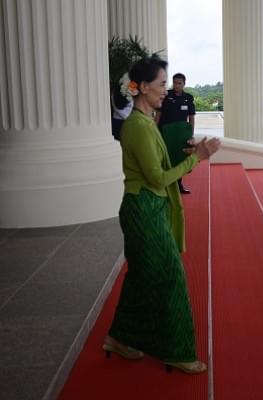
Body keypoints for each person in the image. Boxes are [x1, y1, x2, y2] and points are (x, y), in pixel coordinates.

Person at [103, 56, 220, 374]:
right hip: (144, 210)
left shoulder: (145, 122)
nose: (165, 91)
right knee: (172, 277)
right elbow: (157, 179)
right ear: (141, 88)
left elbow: (157, 167)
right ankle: (176, 351)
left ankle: (118, 338)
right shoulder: (139, 126)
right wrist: (198, 158)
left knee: (141, 277)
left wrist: (186, 155)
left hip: (147, 207)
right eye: (161, 85)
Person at [155, 73, 197, 194]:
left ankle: (178, 184)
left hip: (181, 135)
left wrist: (191, 135)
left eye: (179, 83)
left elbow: (191, 118)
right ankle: (164, 185)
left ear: (184, 84)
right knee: (166, 158)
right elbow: (158, 115)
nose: (177, 85)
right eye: (175, 83)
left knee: (179, 159)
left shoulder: (188, 98)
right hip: (166, 133)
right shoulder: (166, 96)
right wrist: (155, 131)